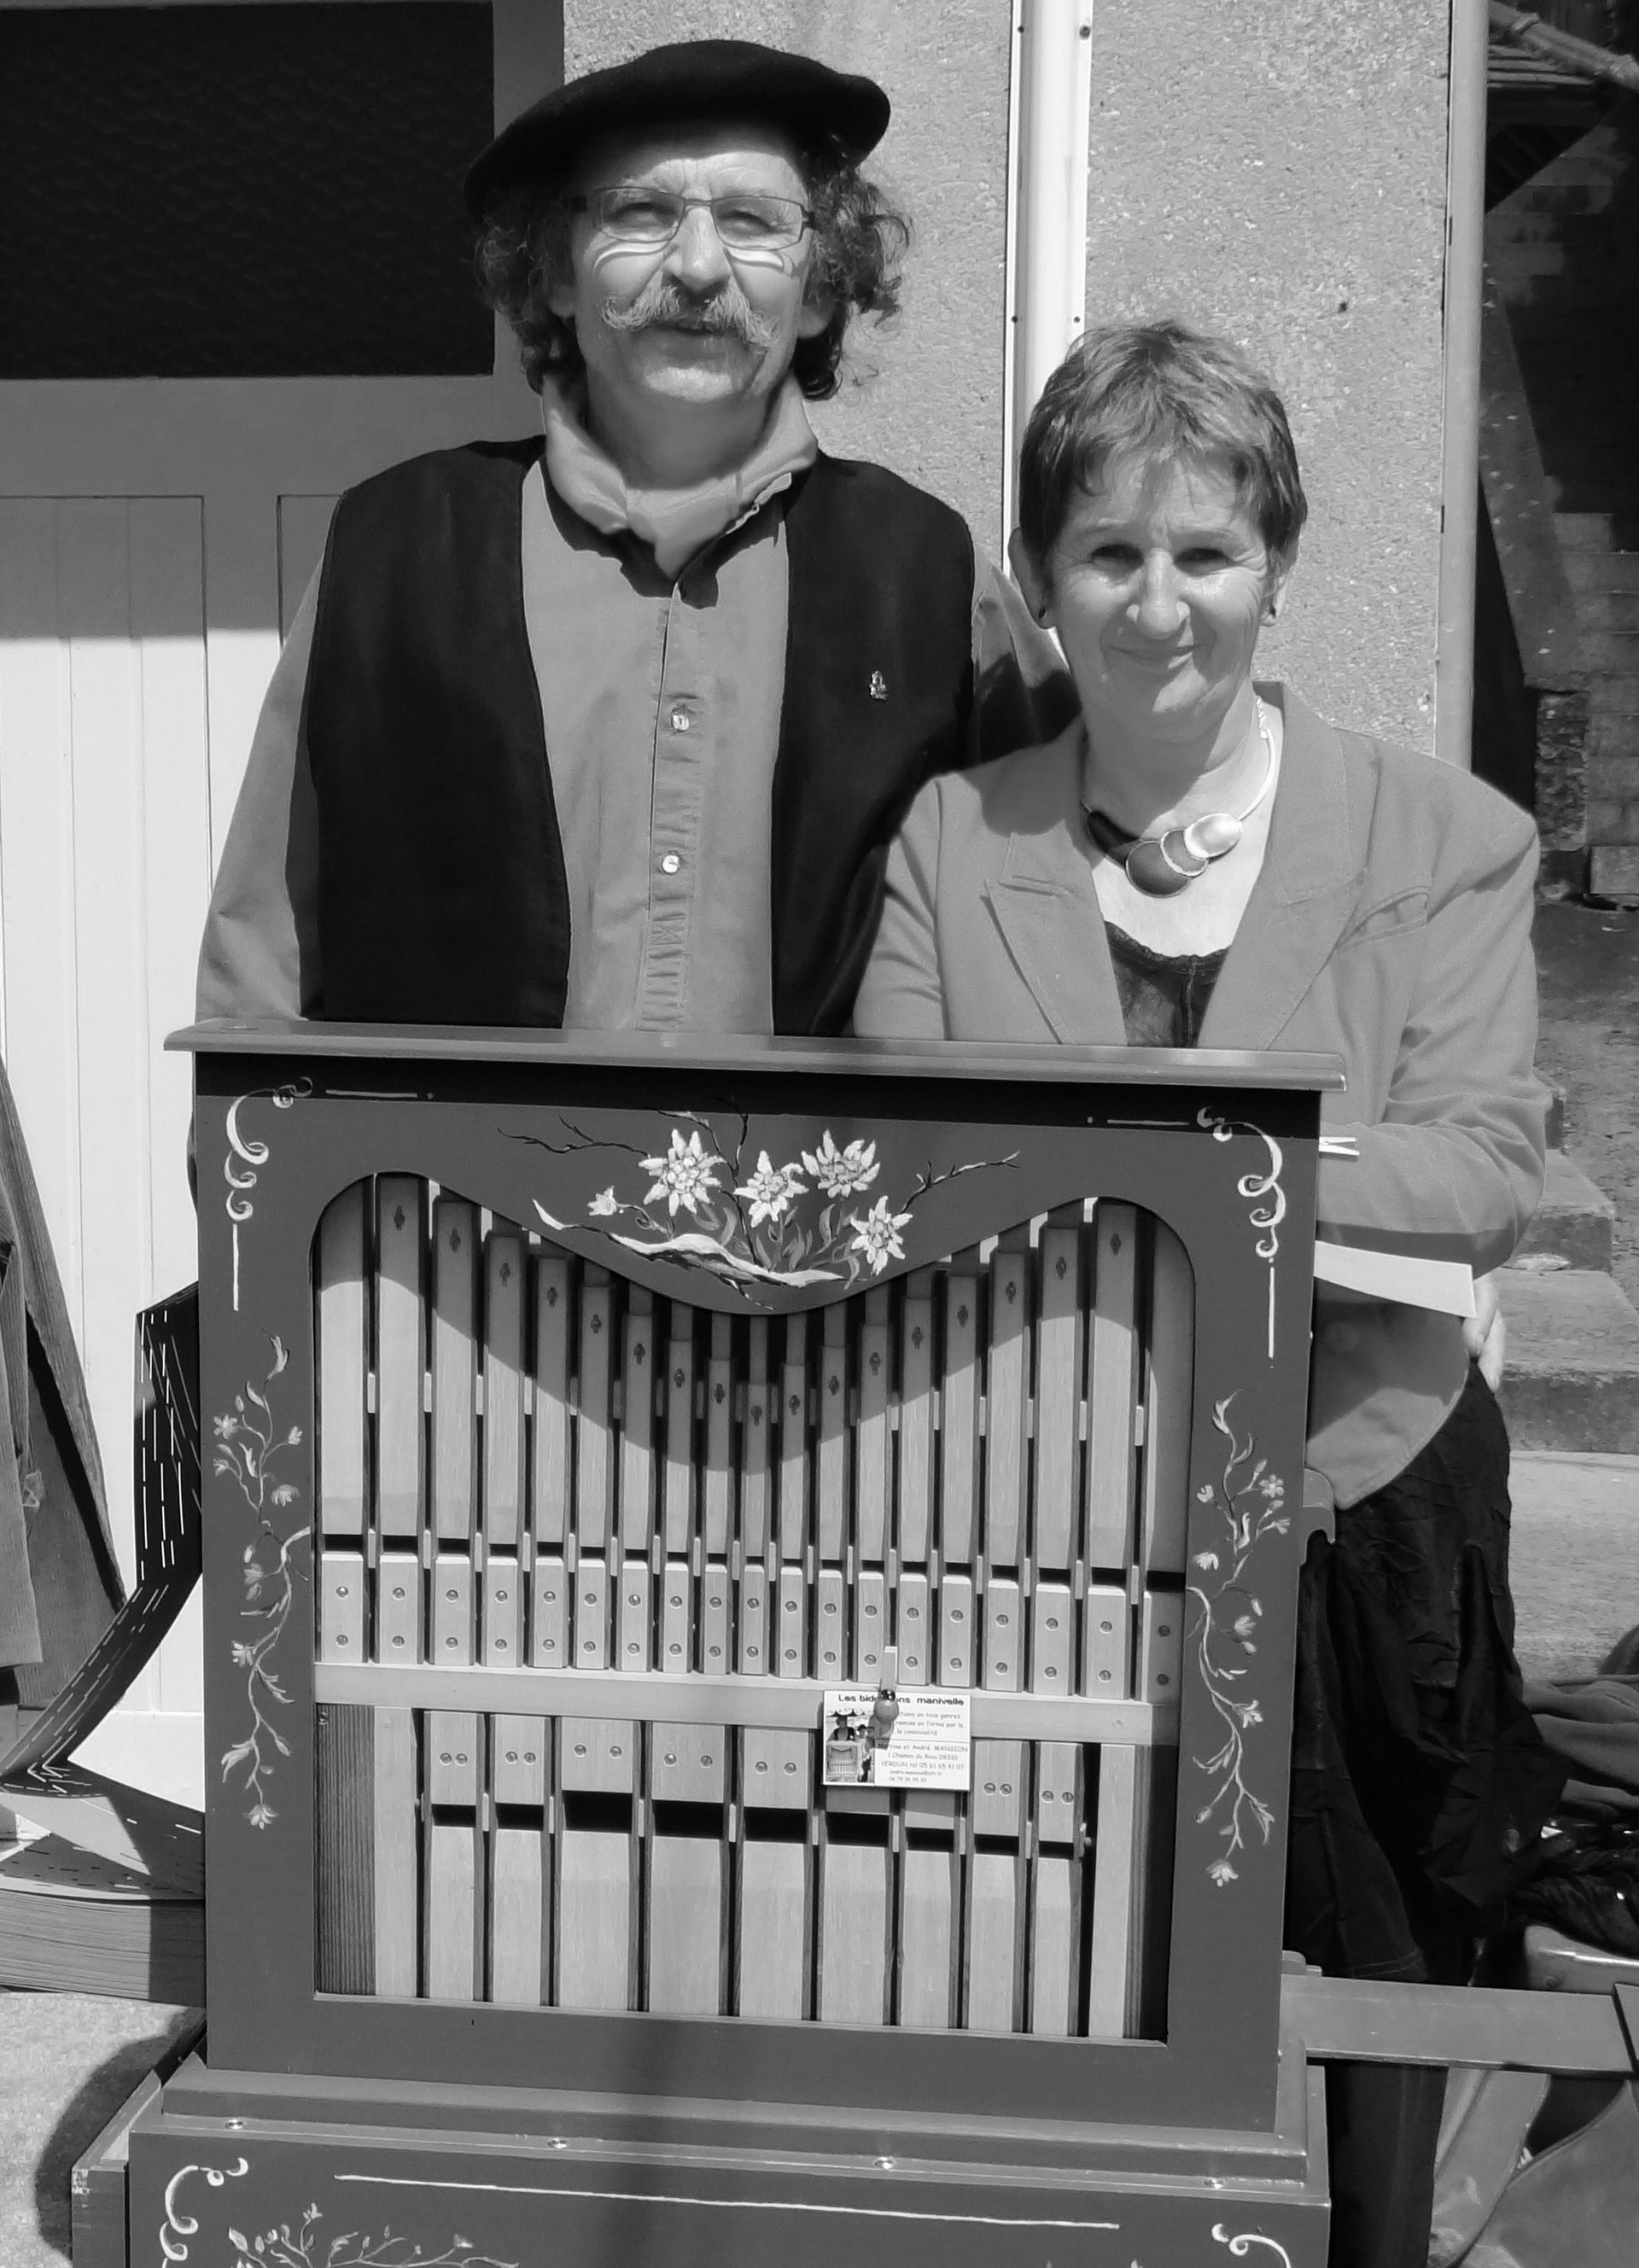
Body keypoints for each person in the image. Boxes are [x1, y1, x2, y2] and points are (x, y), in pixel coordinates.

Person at [854, 320, 1566, 2268]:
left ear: (1277, 560)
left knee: (1386, 1942)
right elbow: (912, 1170)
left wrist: (1162, 1167)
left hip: (1364, 1484)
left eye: (1206, 552)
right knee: (1057, 1923)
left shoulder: (1445, 835)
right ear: (1036, 579)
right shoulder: (949, 838)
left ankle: (1375, 2242)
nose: (1158, 602)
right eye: (1108, 554)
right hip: (1052, 1498)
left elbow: (1482, 1164)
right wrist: (1276, 1178)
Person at [196, 38, 1070, 1035]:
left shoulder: (932, 576)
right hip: (455, 1193)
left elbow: (1057, 919)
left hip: (839, 1191)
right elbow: (262, 951)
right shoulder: (387, 554)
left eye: (752, 222)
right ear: (557, 273)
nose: (697, 268)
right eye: (641, 212)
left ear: (822, 287)